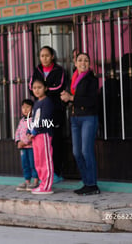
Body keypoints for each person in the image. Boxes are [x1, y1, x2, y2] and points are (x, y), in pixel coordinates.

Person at [60, 53, 100, 195]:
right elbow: (72, 99)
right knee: (76, 152)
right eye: (80, 60)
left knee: (86, 151)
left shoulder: (92, 80)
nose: (83, 63)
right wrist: (65, 98)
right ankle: (86, 182)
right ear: (75, 63)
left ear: (89, 64)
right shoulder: (73, 79)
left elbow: (91, 101)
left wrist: (71, 97)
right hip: (75, 118)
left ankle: (92, 184)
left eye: (86, 60)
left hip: (88, 117)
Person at [29, 46, 67, 183]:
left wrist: (44, 88)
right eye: (42, 56)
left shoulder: (59, 70)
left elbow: (59, 87)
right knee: (40, 144)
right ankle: (41, 175)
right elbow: (30, 86)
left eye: (47, 55)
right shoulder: (37, 70)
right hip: (40, 110)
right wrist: (43, 89)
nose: (44, 58)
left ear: (52, 56)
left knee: (54, 141)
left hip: (55, 111)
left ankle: (55, 172)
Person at [28, 79, 55, 195]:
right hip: (35, 136)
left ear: (45, 88)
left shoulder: (47, 102)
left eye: (39, 87)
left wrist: (35, 131)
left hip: (43, 134)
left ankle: (47, 185)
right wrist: (29, 131)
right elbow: (34, 119)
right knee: (38, 160)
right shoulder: (37, 103)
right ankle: (42, 183)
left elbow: (45, 119)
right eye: (34, 88)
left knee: (45, 160)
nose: (37, 90)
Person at [14, 99, 38, 191]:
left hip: (31, 147)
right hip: (23, 148)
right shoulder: (22, 121)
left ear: (32, 109)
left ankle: (35, 181)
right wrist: (18, 141)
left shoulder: (33, 120)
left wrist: (25, 142)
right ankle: (27, 181)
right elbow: (17, 132)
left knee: (33, 163)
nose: (25, 109)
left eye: (28, 107)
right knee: (25, 164)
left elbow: (32, 133)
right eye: (23, 107)